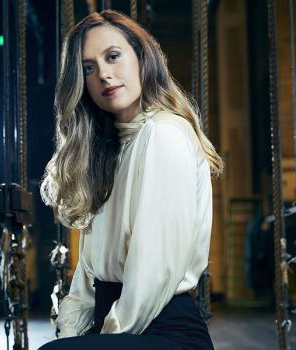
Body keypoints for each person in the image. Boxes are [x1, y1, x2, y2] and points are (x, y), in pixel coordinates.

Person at [39, 9, 223, 350]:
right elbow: (88, 275)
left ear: (142, 58)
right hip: (117, 324)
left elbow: (152, 271)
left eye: (113, 57)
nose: (104, 75)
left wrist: (103, 339)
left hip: (161, 328)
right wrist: (70, 332)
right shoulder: (109, 151)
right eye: (88, 68)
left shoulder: (164, 133)